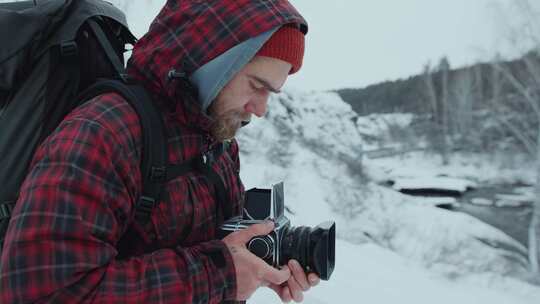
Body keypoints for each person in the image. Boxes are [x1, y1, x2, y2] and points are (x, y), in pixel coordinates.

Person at [0, 0, 318, 303]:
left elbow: (212, 248)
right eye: (257, 85)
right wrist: (221, 273)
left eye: (271, 94)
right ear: (216, 61)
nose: (261, 109)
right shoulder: (102, 133)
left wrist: (257, 263)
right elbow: (44, 294)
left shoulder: (214, 137)